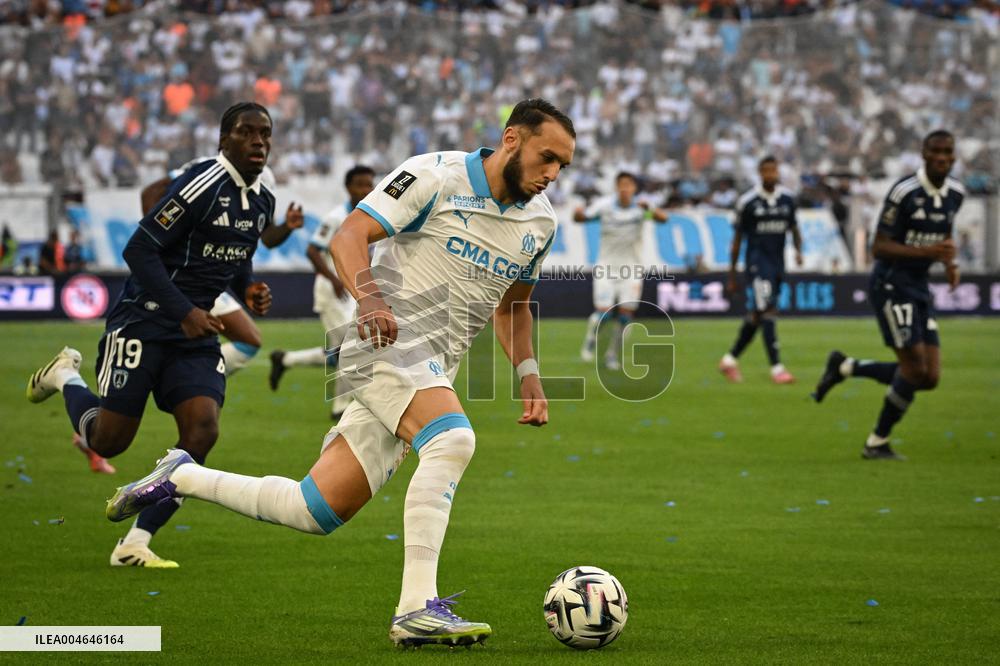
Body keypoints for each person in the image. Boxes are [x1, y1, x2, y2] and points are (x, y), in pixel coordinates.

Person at [105, 98, 575, 647]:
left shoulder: (540, 222)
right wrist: (371, 297)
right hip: (383, 339)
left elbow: (512, 306)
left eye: (563, 166)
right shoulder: (434, 175)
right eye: (547, 158)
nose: (553, 175)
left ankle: (179, 476)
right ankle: (416, 610)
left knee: (315, 509)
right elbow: (348, 237)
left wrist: (529, 373)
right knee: (452, 439)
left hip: (430, 366)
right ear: (513, 138)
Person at [26, 102, 278, 567]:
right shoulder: (201, 184)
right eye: (247, 132)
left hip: (195, 331)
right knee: (108, 441)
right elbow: (139, 249)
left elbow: (237, 256)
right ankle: (65, 376)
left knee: (202, 431)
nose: (259, 142)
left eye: (265, 133)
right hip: (143, 320)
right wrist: (183, 310)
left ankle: (135, 542)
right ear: (225, 140)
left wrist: (249, 288)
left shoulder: (262, 199)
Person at [811, 130, 964, 460]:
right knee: (913, 370)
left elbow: (945, 234)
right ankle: (876, 442)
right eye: (935, 151)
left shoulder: (957, 193)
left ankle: (845, 367)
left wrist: (950, 262)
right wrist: (931, 254)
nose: (941, 157)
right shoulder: (905, 192)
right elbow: (878, 247)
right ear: (924, 154)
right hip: (892, 285)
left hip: (919, 287)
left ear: (953, 156)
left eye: (947, 152)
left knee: (930, 376)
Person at [140, 155, 303, 378]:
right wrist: (163, 238)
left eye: (263, 135)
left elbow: (266, 237)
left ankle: (188, 380)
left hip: (212, 277)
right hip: (179, 272)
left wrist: (287, 227)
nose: (257, 143)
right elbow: (150, 192)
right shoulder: (203, 168)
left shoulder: (265, 178)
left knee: (249, 340)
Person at [269, 165, 375, 420]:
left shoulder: (368, 216)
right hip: (331, 292)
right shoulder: (336, 217)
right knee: (352, 347)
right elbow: (312, 250)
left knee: (341, 351)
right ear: (348, 187)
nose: (365, 189)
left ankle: (285, 360)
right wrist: (333, 279)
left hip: (349, 291)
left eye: (369, 184)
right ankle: (340, 407)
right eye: (360, 184)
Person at [719, 156, 802, 384]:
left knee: (757, 315)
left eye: (773, 170)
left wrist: (798, 250)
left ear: (778, 172)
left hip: (777, 264)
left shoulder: (788, 199)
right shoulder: (748, 202)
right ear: (759, 173)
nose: (770, 175)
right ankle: (777, 368)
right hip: (757, 265)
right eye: (765, 171)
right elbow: (737, 240)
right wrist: (732, 274)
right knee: (768, 312)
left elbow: (794, 228)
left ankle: (729, 359)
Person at [575, 172, 668, 370]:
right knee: (604, 313)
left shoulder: (641, 209)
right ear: (616, 187)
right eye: (621, 185)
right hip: (606, 267)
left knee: (626, 316)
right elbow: (582, 218)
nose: (625, 189)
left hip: (632, 269)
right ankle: (591, 339)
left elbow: (663, 219)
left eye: (629, 185)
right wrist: (578, 213)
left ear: (634, 188)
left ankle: (612, 354)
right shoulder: (604, 206)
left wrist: (650, 208)